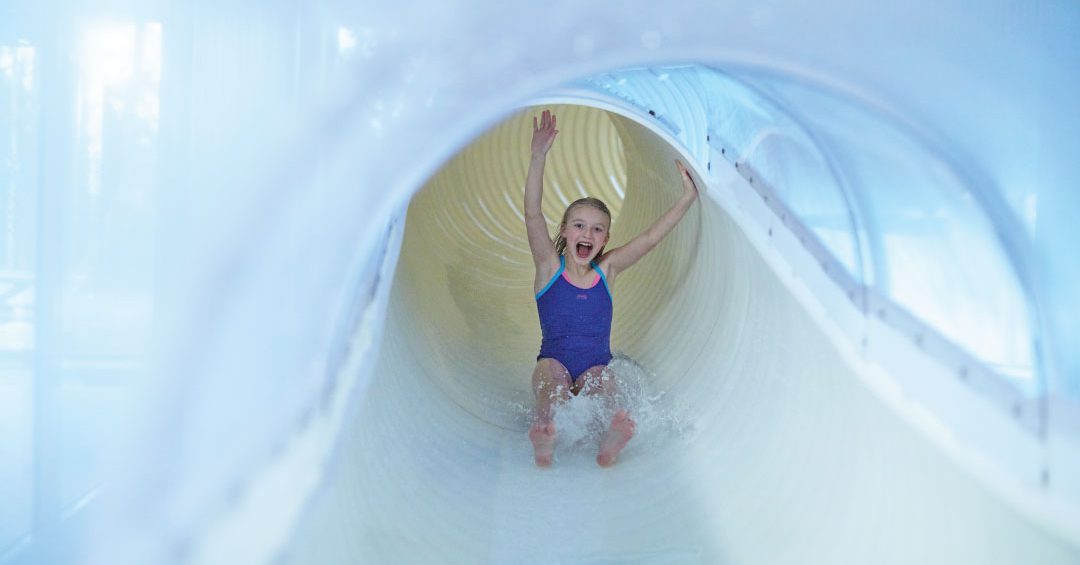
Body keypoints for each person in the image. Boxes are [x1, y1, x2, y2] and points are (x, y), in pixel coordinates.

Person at [524, 109, 699, 467]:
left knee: (606, 387)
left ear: (606, 239)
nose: (587, 234)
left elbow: (650, 239)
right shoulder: (548, 267)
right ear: (565, 231)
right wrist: (538, 155)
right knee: (552, 387)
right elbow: (532, 213)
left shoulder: (608, 270)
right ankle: (544, 437)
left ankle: (610, 442)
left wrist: (686, 198)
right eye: (579, 225)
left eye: (597, 229)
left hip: (595, 364)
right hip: (553, 360)